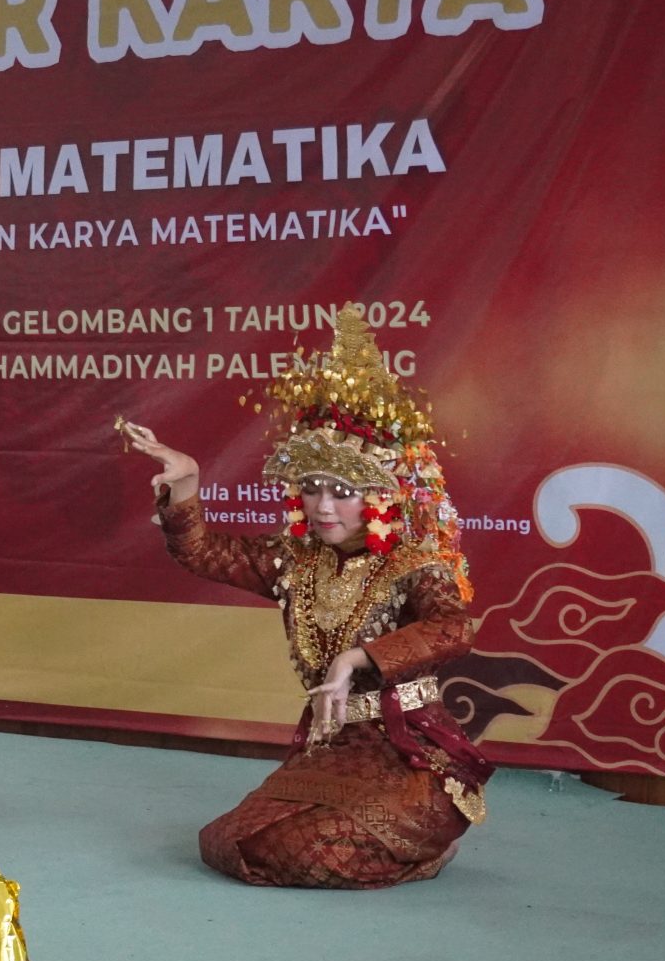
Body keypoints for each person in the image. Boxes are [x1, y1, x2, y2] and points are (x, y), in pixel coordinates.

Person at [123, 302, 490, 889]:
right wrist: (188, 481)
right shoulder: (296, 560)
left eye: (342, 492)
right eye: (313, 488)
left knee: (316, 852)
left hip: (408, 750)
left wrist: (355, 660)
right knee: (230, 842)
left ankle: (428, 848)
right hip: (334, 744)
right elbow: (204, 553)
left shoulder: (414, 562)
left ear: (380, 497)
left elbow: (453, 628)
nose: (323, 506)